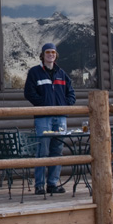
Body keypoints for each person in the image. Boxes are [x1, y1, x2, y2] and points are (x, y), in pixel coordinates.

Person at [24, 43, 76, 195]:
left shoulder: (62, 73)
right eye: (48, 52)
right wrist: (43, 104)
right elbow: (29, 92)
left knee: (57, 151)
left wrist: (65, 105)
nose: (51, 55)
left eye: (53, 52)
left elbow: (71, 92)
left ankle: (52, 183)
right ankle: (39, 185)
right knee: (43, 151)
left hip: (60, 118)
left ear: (56, 55)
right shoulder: (35, 72)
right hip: (43, 118)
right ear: (43, 55)